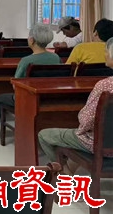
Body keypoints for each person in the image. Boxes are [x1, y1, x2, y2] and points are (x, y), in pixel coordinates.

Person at [38, 37, 113, 172]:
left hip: (100, 143)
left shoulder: (104, 85)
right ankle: (69, 168)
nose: (105, 54)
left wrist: (80, 128)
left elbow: (86, 120)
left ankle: (63, 173)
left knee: (44, 135)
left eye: (106, 52)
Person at [0, 24, 61, 141]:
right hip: (49, 97)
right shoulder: (56, 57)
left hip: (27, 98)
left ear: (32, 40)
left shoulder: (26, 60)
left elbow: (16, 85)